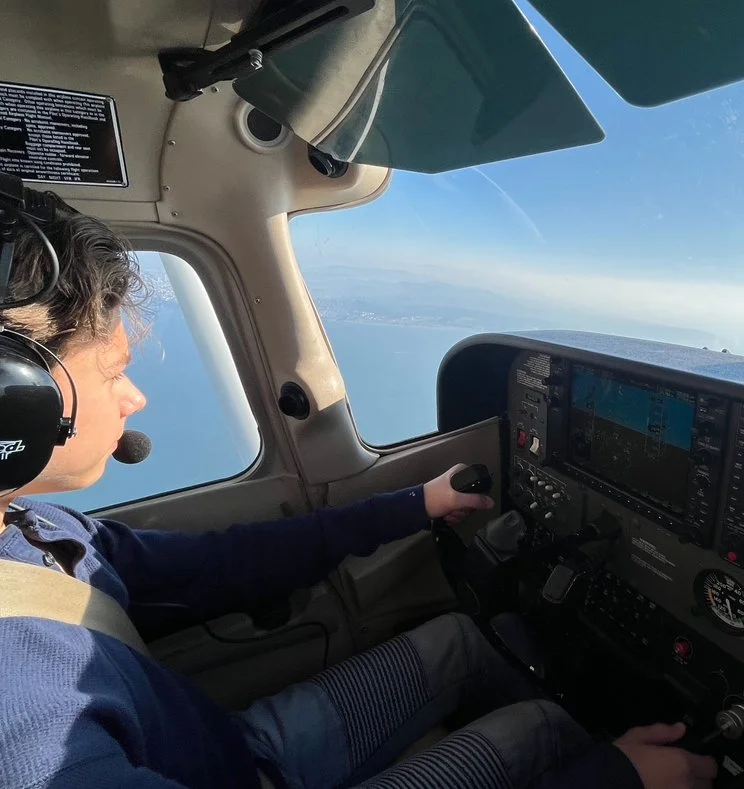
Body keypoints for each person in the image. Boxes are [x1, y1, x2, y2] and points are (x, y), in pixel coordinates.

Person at [0, 198, 718, 789]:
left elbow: (221, 564)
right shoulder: (26, 720)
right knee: (543, 729)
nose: (135, 397)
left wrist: (415, 504)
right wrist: (614, 775)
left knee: (464, 641)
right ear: (18, 405)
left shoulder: (34, 531)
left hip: (234, 752)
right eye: (113, 371)